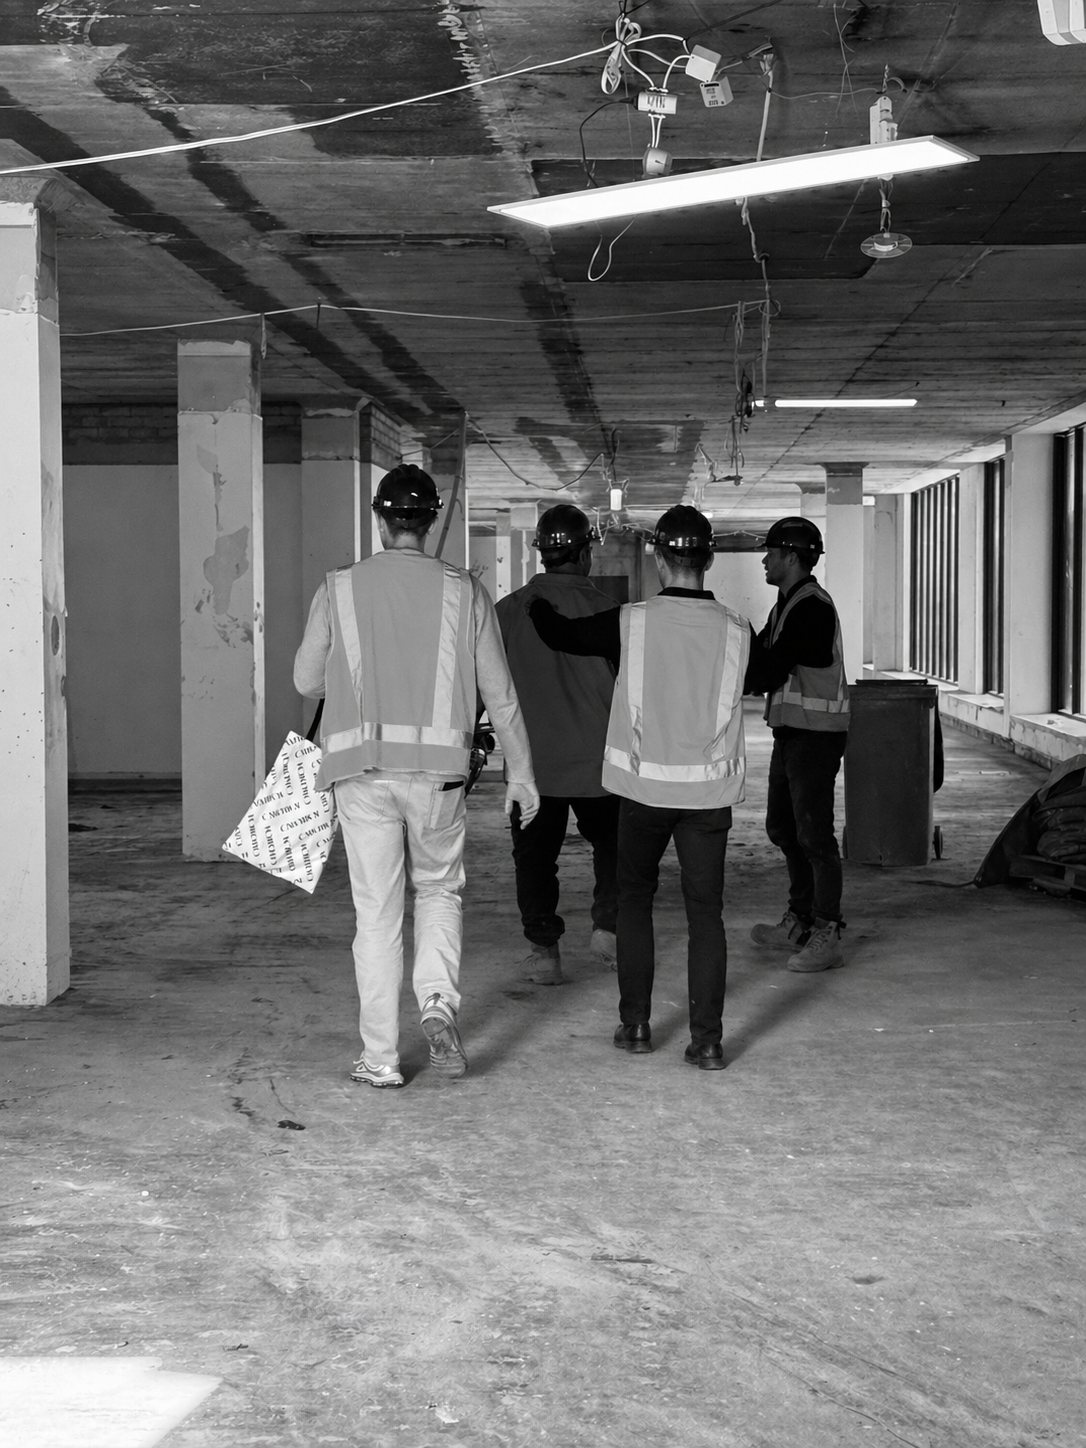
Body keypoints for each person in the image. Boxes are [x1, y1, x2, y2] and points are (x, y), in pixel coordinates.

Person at [293, 464, 539, 1089]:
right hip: (439, 781)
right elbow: (500, 694)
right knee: (438, 892)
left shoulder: (340, 587)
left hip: (360, 773)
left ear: (381, 520)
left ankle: (379, 1058)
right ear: (429, 524)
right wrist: (522, 774)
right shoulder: (465, 591)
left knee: (376, 916)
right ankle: (437, 1006)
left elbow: (305, 681)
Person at [528, 506, 749, 1071]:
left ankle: (636, 1026)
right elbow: (771, 670)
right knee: (706, 917)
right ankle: (707, 1041)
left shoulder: (632, 622)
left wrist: (534, 605)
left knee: (635, 903)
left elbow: (563, 636)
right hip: (707, 801)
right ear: (709, 559)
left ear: (657, 558)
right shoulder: (736, 630)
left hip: (644, 796)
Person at [495, 504, 619, 986]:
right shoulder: (610, 612)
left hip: (533, 767)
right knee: (611, 846)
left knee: (534, 858)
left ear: (541, 555)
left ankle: (545, 953)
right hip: (600, 762)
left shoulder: (508, 611)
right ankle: (608, 927)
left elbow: (486, 684)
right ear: (586, 553)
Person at [746, 516, 850, 972]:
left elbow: (771, 666)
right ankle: (800, 918)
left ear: (791, 557)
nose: (765, 560)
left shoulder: (811, 607)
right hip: (790, 732)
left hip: (816, 737)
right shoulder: (785, 604)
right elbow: (766, 657)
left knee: (814, 835)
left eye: (771, 552)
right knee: (783, 829)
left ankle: (827, 928)